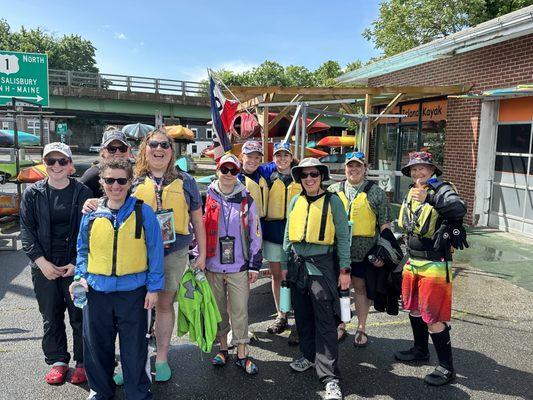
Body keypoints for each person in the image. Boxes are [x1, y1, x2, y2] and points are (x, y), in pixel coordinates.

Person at [73, 159, 164, 400]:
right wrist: (80, 278)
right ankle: (100, 392)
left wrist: (154, 288)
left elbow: (155, 251)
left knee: (134, 349)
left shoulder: (144, 212)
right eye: (110, 180)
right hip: (96, 292)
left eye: (121, 180)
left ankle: (138, 393)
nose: (116, 186)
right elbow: (82, 250)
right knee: (97, 348)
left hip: (133, 293)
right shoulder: (91, 214)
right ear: (102, 182)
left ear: (130, 182)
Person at [131, 128, 206, 381]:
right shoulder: (132, 181)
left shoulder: (187, 181)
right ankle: (132, 361)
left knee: (164, 304)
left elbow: (197, 220)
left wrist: (202, 255)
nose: (159, 149)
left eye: (164, 145)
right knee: (134, 308)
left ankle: (161, 358)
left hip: (174, 252)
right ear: (145, 148)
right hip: (138, 253)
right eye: (154, 144)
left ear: (171, 151)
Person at [20, 142, 92, 385]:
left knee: (79, 315)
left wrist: (76, 264)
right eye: (51, 161)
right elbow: (27, 230)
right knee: (50, 315)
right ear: (44, 164)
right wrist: (42, 263)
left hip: (75, 267)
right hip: (44, 267)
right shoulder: (33, 193)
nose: (56, 166)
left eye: (62, 161)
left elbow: (90, 231)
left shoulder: (82, 192)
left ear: (70, 165)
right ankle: (58, 361)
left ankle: (83, 362)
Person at [394, 151, 468, 386]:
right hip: (412, 260)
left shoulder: (442, 189)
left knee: (433, 316)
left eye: (423, 168)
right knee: (414, 309)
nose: (418, 173)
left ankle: (447, 369)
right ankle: (420, 350)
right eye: (414, 169)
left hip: (435, 263)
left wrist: (430, 199)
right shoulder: (411, 192)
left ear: (433, 170)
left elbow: (458, 209)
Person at [283, 158, 351, 400]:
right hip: (296, 265)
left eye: (314, 174)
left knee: (325, 321)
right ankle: (309, 357)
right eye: (304, 175)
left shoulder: (334, 201)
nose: (309, 179)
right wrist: (283, 265)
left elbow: (344, 237)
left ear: (321, 176)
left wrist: (345, 270)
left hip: (322, 266)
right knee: (302, 318)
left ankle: (330, 376)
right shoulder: (295, 201)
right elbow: (287, 236)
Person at [202, 154, 262, 374]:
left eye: (233, 171)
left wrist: (255, 264)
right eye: (224, 170)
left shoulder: (247, 198)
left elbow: (256, 232)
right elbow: (196, 229)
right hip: (212, 265)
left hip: (239, 266)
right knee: (218, 311)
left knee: (240, 311)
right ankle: (223, 349)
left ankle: (242, 353)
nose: (228, 175)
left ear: (238, 173)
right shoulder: (205, 197)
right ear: (217, 170)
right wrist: (197, 256)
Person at [328, 151, 392, 346]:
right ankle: (341, 323)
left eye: (358, 166)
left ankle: (361, 327)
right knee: (339, 288)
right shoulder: (333, 190)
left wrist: (385, 250)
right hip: (337, 250)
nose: (353, 169)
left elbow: (385, 225)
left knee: (361, 288)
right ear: (344, 168)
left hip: (364, 251)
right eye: (350, 166)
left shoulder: (376, 192)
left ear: (365, 168)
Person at [258, 142, 301, 341]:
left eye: (286, 155)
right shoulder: (266, 174)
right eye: (278, 155)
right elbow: (247, 168)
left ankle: (300, 319)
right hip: (274, 233)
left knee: (296, 276)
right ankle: (281, 315)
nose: (282, 159)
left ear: (292, 157)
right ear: (273, 158)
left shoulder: (302, 175)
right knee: (277, 276)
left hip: (296, 235)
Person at [79, 126, 131, 197]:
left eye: (122, 148)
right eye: (111, 149)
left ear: (128, 150)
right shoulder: (92, 175)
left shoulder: (136, 173)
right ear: (103, 152)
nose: (118, 152)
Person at [237, 140, 268, 218]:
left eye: (257, 158)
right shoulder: (233, 176)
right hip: (241, 222)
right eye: (249, 156)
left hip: (260, 224)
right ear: (242, 156)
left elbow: (280, 164)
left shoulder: (263, 172)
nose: (253, 161)